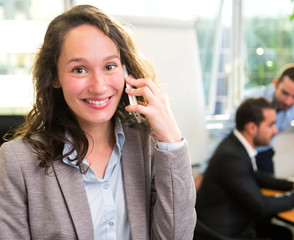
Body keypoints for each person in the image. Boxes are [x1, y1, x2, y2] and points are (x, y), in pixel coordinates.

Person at [0, 5, 196, 240]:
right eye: (79, 69)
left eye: (109, 66)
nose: (99, 86)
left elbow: (177, 236)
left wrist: (171, 140)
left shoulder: (148, 146)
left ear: (125, 71)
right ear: (54, 76)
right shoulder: (17, 161)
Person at [195, 97, 294, 240]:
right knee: (282, 234)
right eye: (271, 125)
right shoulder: (232, 157)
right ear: (252, 128)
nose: (276, 130)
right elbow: (262, 206)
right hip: (225, 232)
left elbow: (256, 176)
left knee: (283, 233)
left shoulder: (236, 145)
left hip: (233, 221)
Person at [195, 64, 294, 191]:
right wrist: (204, 172)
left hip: (264, 154)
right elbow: (224, 134)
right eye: (285, 93)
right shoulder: (252, 100)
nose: (289, 101)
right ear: (275, 83)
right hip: (241, 155)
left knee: (269, 192)